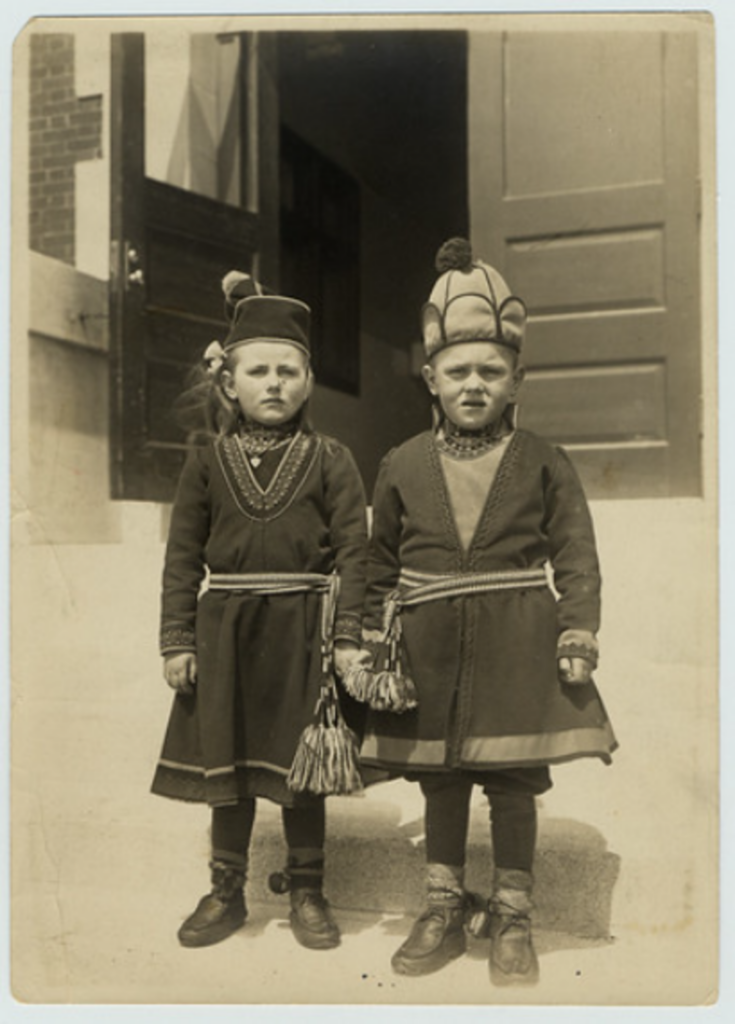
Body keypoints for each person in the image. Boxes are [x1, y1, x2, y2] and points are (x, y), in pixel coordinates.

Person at [343, 238, 618, 986]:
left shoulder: (544, 460)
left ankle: (512, 910)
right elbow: (375, 560)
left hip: (516, 641)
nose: (473, 385)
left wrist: (576, 628)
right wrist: (367, 636)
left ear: (515, 379)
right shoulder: (400, 463)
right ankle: (439, 902)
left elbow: (575, 554)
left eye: (490, 372)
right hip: (427, 646)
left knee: (511, 778)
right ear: (429, 378)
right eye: (457, 372)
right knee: (440, 779)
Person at [151, 271, 368, 952]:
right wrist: (177, 638)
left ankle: (307, 890)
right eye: (258, 371)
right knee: (230, 765)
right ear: (229, 383)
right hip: (228, 632)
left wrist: (347, 638)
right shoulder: (206, 461)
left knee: (302, 770)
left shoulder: (330, 459)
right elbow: (182, 557)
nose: (272, 383)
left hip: (305, 630)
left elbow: (356, 555)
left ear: (306, 383)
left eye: (287, 371)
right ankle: (226, 891)